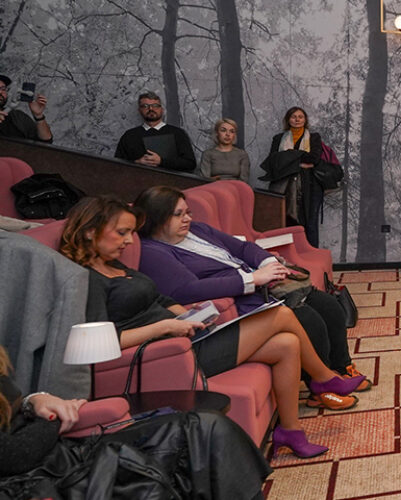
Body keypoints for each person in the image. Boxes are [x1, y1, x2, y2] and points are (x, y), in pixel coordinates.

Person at [59, 196, 366, 457]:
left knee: (287, 344)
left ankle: (291, 432)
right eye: (122, 233)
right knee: (282, 316)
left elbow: (160, 297)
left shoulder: (113, 264)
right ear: (90, 231)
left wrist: (187, 314)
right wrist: (165, 327)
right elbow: (103, 340)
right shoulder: (86, 279)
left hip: (186, 336)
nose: (129, 241)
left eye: (130, 233)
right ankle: (324, 379)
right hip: (170, 355)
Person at [133, 185, 372, 408]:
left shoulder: (199, 230)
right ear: (157, 218)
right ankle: (321, 389)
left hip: (263, 285)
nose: (187, 219)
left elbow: (243, 248)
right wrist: (251, 280)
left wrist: (268, 263)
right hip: (240, 299)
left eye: (188, 212)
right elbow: (188, 290)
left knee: (329, 305)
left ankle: (341, 368)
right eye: (178, 215)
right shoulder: (153, 251)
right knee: (309, 320)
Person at [0, 345, 270, 498]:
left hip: (64, 452)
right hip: (33, 479)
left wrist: (34, 400)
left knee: (204, 426)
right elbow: (14, 456)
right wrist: (51, 419)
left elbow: (12, 405)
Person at [269, 107, 325, 247]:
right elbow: (273, 161)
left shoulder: (314, 137)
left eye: (300, 117)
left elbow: (314, 158)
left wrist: (288, 157)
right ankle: (291, 254)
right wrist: (300, 160)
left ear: (305, 120)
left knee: (310, 223)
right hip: (285, 186)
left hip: (310, 186)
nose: (297, 119)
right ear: (288, 120)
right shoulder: (278, 139)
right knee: (287, 220)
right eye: (294, 116)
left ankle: (311, 255)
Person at [114, 91, 196, 172]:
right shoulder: (129, 136)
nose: (151, 109)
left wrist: (161, 161)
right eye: (145, 106)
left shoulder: (178, 133)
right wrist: (137, 163)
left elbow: (190, 164)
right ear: (139, 110)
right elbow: (116, 166)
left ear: (162, 109)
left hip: (170, 180)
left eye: (155, 105)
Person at [0, 74, 53, 142]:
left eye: (3, 89)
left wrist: (39, 116)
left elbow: (46, 141)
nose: (0, 92)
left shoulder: (18, 117)